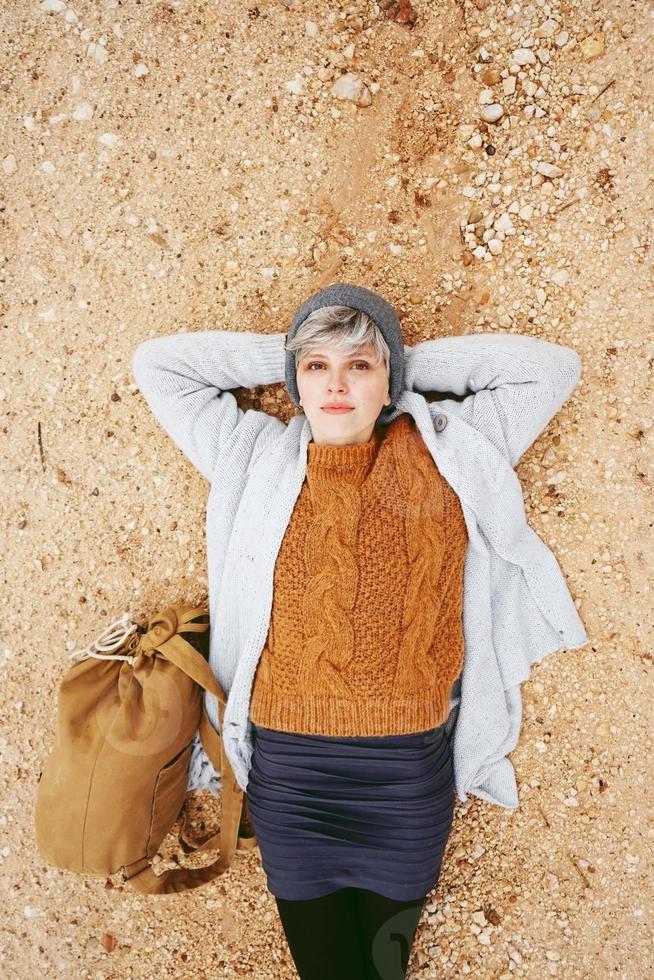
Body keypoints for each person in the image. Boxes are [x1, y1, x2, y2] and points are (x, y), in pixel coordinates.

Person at [132, 282, 588, 979]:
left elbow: (548, 369)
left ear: (388, 381)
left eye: (360, 367)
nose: (336, 384)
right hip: (292, 782)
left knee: (377, 971)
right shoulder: (251, 459)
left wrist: (391, 349)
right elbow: (160, 366)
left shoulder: (447, 453)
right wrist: (295, 346)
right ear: (296, 380)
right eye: (316, 368)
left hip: (406, 779)